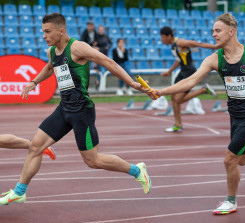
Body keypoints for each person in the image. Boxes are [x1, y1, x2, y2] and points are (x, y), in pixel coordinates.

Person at [150, 13, 245, 215]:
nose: (213, 34)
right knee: (244, 159)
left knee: (229, 159)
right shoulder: (214, 59)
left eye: (217, 30)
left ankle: (231, 201)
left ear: (231, 32)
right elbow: (190, 81)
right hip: (235, 116)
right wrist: (160, 92)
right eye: (213, 30)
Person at [0, 13, 155, 206]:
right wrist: (34, 82)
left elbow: (108, 62)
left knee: (93, 161)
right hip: (63, 109)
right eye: (43, 32)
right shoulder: (52, 51)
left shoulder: (77, 47)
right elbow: (50, 67)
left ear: (61, 30)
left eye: (47, 32)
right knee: (35, 147)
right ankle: (19, 192)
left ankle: (137, 170)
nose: (44, 36)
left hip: (82, 111)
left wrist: (131, 82)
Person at [160, 26, 217, 132]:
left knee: (178, 99)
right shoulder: (173, 46)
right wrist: (169, 72)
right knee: (173, 96)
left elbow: (198, 44)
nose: (161, 40)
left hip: (189, 71)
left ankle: (203, 90)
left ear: (169, 36)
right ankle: (178, 124)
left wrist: (215, 46)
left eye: (162, 37)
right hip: (183, 71)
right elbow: (178, 60)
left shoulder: (180, 42)